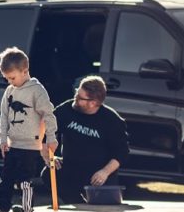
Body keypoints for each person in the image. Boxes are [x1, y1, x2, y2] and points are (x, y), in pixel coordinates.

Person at [0, 47, 57, 212]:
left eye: (12, 77)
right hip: (13, 145)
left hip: (30, 146)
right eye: (7, 78)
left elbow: (48, 114)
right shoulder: (9, 91)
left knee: (25, 183)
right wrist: (2, 139)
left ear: (25, 71)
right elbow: (4, 116)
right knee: (5, 182)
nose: (10, 81)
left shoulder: (37, 91)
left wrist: (51, 137)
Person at [52, 75, 129, 204]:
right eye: (77, 92)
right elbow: (44, 131)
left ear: (93, 103)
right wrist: (50, 157)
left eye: (80, 97)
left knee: (105, 204)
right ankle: (77, 202)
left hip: (98, 174)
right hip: (72, 168)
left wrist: (105, 172)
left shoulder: (112, 120)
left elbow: (122, 153)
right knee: (49, 172)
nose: (75, 98)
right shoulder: (65, 110)